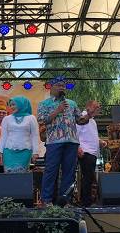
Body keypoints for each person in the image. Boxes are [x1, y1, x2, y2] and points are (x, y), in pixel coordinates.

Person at [37, 77, 89, 206]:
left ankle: (65, 201)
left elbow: (80, 120)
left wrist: (89, 115)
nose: (62, 88)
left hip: (72, 141)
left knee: (69, 172)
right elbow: (42, 120)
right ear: (51, 87)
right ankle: (46, 200)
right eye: (59, 85)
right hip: (54, 141)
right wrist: (57, 110)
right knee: (51, 171)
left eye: (63, 86)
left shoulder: (72, 103)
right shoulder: (44, 104)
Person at [0, 96, 40, 173]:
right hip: (8, 151)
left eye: (14, 104)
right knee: (9, 174)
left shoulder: (31, 118)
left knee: (22, 175)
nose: (11, 107)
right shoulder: (7, 119)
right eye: (10, 105)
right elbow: (3, 136)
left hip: (25, 150)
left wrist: (35, 152)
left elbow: (35, 136)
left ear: (21, 104)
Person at [76, 101, 107, 207]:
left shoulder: (93, 121)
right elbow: (75, 133)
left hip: (93, 152)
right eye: (95, 107)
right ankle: (86, 202)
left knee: (89, 177)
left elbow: (92, 135)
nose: (98, 109)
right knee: (87, 177)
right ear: (88, 107)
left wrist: (100, 141)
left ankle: (87, 200)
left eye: (98, 107)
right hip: (85, 151)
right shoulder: (82, 117)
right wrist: (78, 147)